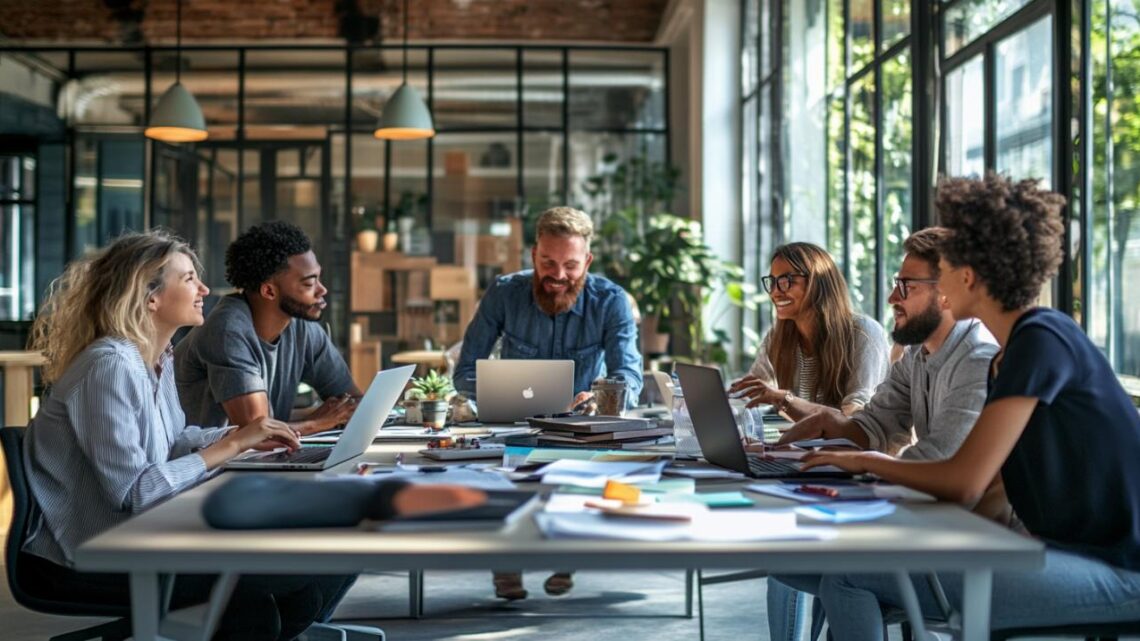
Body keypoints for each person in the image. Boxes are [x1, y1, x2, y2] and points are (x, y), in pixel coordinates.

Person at [20, 231, 482, 640]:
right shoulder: (109, 366)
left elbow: (175, 441)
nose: (204, 289)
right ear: (150, 297)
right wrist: (234, 443)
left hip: (153, 535)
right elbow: (137, 492)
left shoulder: (155, 359)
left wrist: (244, 436)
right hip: (94, 554)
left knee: (319, 566)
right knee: (273, 590)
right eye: (189, 279)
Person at [799, 174, 1140, 639]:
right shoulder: (1008, 358)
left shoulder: (1042, 338)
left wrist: (864, 461)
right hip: (1068, 556)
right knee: (856, 566)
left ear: (969, 275)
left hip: (1119, 570)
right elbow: (994, 491)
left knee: (849, 576)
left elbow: (963, 482)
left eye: (945, 267)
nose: (940, 285)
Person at [762, 227, 1000, 641]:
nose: (892, 298)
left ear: (948, 293)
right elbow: (875, 424)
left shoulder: (977, 359)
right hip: (926, 525)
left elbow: (937, 465)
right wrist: (827, 424)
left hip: (968, 540)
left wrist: (861, 465)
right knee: (786, 562)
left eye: (905, 287)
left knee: (845, 579)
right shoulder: (917, 355)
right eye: (895, 284)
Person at [452, 206, 643, 600]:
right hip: (515, 426)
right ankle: (508, 560)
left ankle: (565, 554)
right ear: (533, 255)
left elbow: (628, 374)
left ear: (587, 261)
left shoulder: (611, 301)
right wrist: (499, 390)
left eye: (570, 265)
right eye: (547, 263)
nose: (558, 275)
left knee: (577, 477)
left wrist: (603, 399)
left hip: (581, 431)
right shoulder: (505, 292)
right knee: (504, 478)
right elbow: (465, 371)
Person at [175, 220, 358, 435]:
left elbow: (352, 401)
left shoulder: (303, 328)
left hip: (257, 453)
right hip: (203, 455)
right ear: (269, 291)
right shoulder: (227, 330)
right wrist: (318, 422)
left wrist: (330, 416)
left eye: (319, 278)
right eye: (309, 283)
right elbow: (256, 432)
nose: (322, 290)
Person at [729, 242, 890, 419]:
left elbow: (855, 416)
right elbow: (752, 391)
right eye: (772, 282)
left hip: (853, 438)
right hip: (808, 437)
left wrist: (786, 400)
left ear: (817, 282)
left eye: (786, 281)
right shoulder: (779, 337)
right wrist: (728, 398)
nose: (774, 292)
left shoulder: (863, 333)